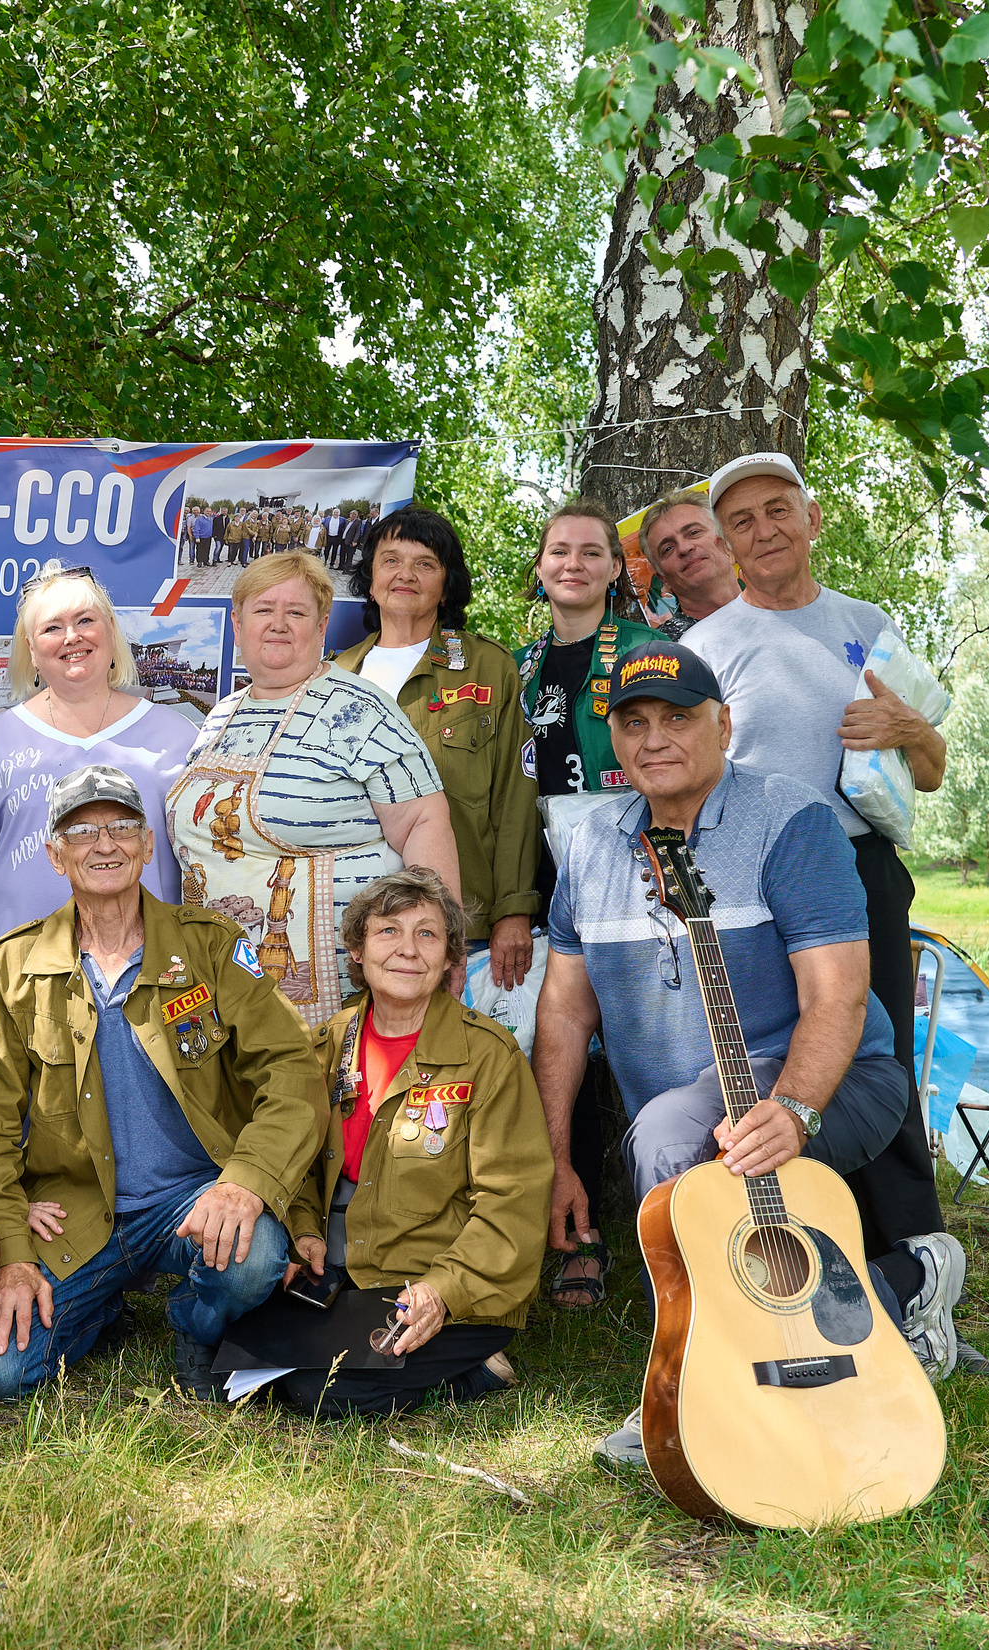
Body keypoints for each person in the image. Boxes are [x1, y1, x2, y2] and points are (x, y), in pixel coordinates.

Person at [529, 644, 967, 1470]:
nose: (655, 738)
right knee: (688, 1158)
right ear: (615, 742)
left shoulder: (790, 820)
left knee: (671, 1140)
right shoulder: (589, 846)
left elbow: (837, 995)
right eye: (634, 723)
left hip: (844, 1083)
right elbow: (561, 1012)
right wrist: (558, 1159)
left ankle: (691, 1386)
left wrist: (795, 1109)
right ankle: (904, 1282)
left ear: (724, 724)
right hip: (702, 1105)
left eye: (679, 717)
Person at [679, 452, 959, 1344]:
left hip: (863, 869)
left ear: (812, 518)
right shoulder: (706, 648)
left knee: (881, 1062)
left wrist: (910, 726)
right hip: (753, 881)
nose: (763, 532)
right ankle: (789, 1260)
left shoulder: (868, 625)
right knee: (776, 1062)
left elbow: (933, 770)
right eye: (743, 523)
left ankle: (918, 1267)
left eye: (777, 511)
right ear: (726, 544)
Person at [0, 766, 325, 1401]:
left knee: (254, 1258)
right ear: (55, 855)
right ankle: (99, 1307)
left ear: (149, 844)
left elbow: (291, 1072)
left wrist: (247, 1183)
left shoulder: (210, 947)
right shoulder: (15, 963)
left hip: (192, 1198)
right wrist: (12, 1246)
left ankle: (194, 1324)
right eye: (83, 832)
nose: (105, 845)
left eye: (123, 827)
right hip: (76, 1212)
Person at [218, 869, 547, 1417]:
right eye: (388, 931)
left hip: (440, 1282)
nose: (408, 950)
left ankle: (476, 1368)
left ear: (449, 958)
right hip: (343, 1277)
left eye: (427, 934)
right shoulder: (327, 1045)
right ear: (356, 951)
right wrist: (302, 1230)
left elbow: (513, 1203)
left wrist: (442, 1290)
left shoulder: (489, 1056)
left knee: (322, 1394)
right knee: (231, 1370)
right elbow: (296, 1164)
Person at [0, 564, 202, 1029]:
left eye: (85, 620)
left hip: (144, 986)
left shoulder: (178, 736)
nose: (72, 637)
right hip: (21, 988)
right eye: (51, 627)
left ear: (110, 630)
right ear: (30, 648)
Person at [170, 549, 458, 1028]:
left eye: (296, 612)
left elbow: (423, 822)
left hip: (341, 998)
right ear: (238, 627)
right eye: (263, 610)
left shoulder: (361, 709)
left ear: (322, 627)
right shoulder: (221, 715)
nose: (279, 624)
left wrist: (437, 944)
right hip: (225, 991)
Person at [507, 498, 663, 1312]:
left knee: (633, 1048)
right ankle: (574, 1231)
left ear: (613, 569)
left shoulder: (646, 652)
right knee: (556, 1046)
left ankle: (663, 1227)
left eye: (589, 552)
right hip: (542, 881)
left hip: (633, 875)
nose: (572, 563)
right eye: (557, 551)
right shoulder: (519, 666)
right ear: (540, 568)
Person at [332, 510, 539, 994]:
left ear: (446, 587)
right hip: (355, 932)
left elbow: (516, 794)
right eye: (391, 560)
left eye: (424, 564)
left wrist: (514, 909)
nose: (405, 574)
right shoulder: (335, 677)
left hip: (465, 929)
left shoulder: (489, 666)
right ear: (371, 579)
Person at [635, 487, 742, 636]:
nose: (684, 548)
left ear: (725, 539)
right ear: (663, 578)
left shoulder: (780, 603)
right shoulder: (667, 651)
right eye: (668, 549)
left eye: (694, 533)